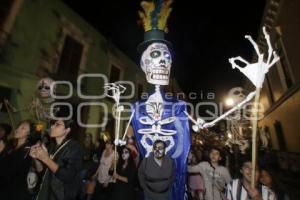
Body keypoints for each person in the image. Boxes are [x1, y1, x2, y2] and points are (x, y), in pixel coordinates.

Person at [30, 119, 83, 200]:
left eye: (57, 124)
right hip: (44, 192)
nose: (52, 126)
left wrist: (46, 158)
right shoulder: (52, 147)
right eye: (53, 124)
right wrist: (37, 158)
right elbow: (42, 171)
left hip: (58, 196)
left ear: (67, 130)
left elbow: (67, 176)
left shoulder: (74, 147)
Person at [0, 120, 39, 200]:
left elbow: (10, 170)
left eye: (23, 128)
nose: (17, 129)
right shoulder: (11, 145)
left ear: (29, 133)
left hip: (15, 193)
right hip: (6, 189)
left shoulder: (28, 149)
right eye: (18, 127)